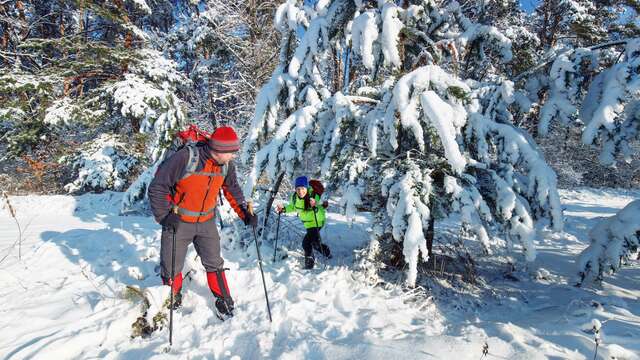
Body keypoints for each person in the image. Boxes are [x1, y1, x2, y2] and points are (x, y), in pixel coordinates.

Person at [148, 126, 257, 320]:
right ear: (220, 150)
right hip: (178, 221)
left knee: (214, 263)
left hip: (206, 222)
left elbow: (232, 188)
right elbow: (158, 186)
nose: (233, 156)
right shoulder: (185, 158)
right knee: (171, 265)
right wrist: (165, 216)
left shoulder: (225, 165)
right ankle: (171, 298)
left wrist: (244, 213)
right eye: (231, 152)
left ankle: (223, 299)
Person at [276, 176, 330, 269]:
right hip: (307, 224)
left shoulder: (313, 197)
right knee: (315, 243)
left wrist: (315, 207)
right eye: (298, 189)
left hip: (317, 223)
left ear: (307, 188)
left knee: (306, 243)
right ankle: (327, 252)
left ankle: (309, 264)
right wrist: (284, 209)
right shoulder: (295, 198)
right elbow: (292, 207)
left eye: (303, 188)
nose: (300, 191)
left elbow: (321, 214)